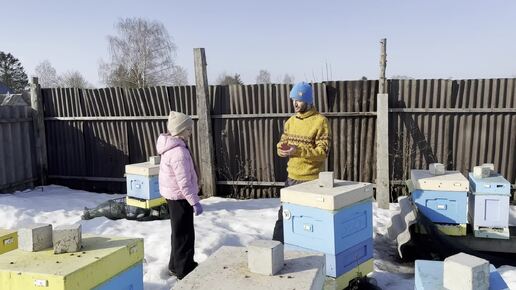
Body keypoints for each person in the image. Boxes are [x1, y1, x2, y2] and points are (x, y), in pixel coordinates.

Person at [272, 82, 331, 243]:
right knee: (284, 218)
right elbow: (282, 142)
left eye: (298, 100)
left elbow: (323, 152)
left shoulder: (320, 121)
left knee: (308, 222)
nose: (295, 104)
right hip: (291, 179)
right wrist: (281, 149)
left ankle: (308, 254)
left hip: (312, 181)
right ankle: (276, 252)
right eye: (293, 100)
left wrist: (297, 150)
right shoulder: (290, 122)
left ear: (308, 100)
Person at [156, 111, 203, 280]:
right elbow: (184, 181)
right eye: (188, 129)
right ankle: (185, 269)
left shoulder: (173, 147)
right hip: (180, 197)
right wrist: (194, 201)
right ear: (180, 130)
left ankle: (175, 265)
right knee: (184, 234)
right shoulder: (178, 152)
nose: (191, 132)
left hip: (174, 196)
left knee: (178, 232)